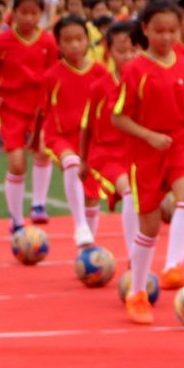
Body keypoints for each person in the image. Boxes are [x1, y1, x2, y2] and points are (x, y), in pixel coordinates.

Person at [111, 0, 184, 325]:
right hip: (145, 155)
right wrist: (148, 135)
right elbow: (119, 117)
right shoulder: (134, 70)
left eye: (172, 31)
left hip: (178, 147)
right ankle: (137, 292)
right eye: (159, 30)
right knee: (149, 227)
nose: (166, 37)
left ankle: (173, 267)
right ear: (146, 30)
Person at [0, 0, 58, 233]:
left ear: (42, 14)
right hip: (11, 107)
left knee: (43, 152)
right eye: (23, 12)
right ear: (12, 12)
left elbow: (55, 72)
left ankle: (38, 205)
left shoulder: (47, 40)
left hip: (39, 107)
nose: (29, 18)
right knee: (16, 163)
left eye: (34, 13)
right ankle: (15, 219)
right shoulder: (2, 41)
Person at [42, 15, 114, 251]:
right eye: (67, 40)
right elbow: (42, 111)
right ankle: (80, 224)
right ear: (59, 45)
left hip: (92, 141)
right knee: (72, 162)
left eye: (79, 39)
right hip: (61, 137)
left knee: (92, 196)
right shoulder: (52, 76)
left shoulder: (101, 73)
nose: (74, 45)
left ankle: (87, 248)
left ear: (87, 41)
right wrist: (36, 139)